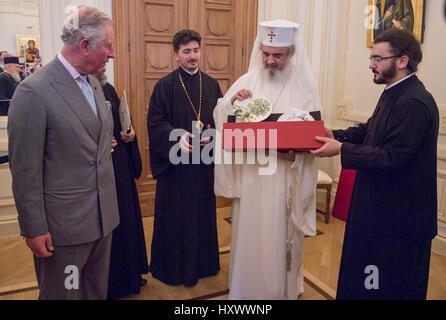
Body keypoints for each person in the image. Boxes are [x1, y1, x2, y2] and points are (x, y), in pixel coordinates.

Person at [311, 29, 438, 300]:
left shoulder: (413, 102)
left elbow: (392, 156)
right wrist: (338, 135)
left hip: (399, 221)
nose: (371, 64)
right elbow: (372, 130)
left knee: (385, 286)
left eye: (377, 58)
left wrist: (341, 149)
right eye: (371, 57)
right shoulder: (395, 92)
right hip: (381, 212)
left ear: (402, 61)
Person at [8, 6, 119, 300]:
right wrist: (34, 228)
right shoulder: (34, 91)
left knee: (95, 292)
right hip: (63, 230)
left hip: (102, 219)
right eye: (107, 46)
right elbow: (25, 170)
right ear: (84, 45)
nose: (112, 54)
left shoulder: (95, 84)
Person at [213, 20, 322, 300]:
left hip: (284, 175)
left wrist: (296, 152)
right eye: (266, 53)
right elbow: (222, 116)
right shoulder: (247, 80)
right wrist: (232, 103)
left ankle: (280, 289)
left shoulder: (304, 85)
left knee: (278, 234)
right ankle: (246, 288)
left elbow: (313, 133)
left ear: (291, 53)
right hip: (252, 175)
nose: (270, 61)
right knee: (250, 232)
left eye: (278, 55)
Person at [147, 29, 222, 286]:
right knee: (176, 219)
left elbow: (220, 122)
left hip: (201, 168)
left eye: (196, 50)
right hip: (176, 172)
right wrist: (175, 137)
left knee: (201, 216)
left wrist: (212, 135)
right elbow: (155, 124)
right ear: (176, 55)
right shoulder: (165, 86)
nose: (193, 56)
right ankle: (173, 270)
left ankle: (203, 266)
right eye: (186, 51)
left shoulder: (212, 85)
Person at [96, 67, 149, 299]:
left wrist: (129, 134)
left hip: (119, 167)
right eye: (102, 60)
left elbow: (120, 122)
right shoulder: (81, 92)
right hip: (99, 171)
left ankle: (130, 275)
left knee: (125, 219)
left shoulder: (107, 88)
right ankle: (112, 283)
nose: (105, 65)